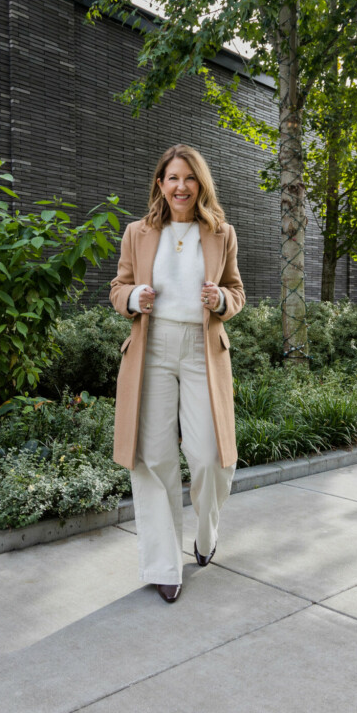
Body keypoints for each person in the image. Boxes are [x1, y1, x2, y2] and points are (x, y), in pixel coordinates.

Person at [110, 144, 245, 603]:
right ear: (160, 184)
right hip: (152, 348)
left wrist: (220, 301)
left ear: (200, 183)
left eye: (189, 178)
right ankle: (164, 565)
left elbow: (236, 292)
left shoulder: (221, 233)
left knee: (211, 457)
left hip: (201, 350)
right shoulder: (138, 233)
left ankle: (205, 534)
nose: (180, 186)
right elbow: (118, 286)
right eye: (172, 178)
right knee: (153, 458)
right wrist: (133, 298)